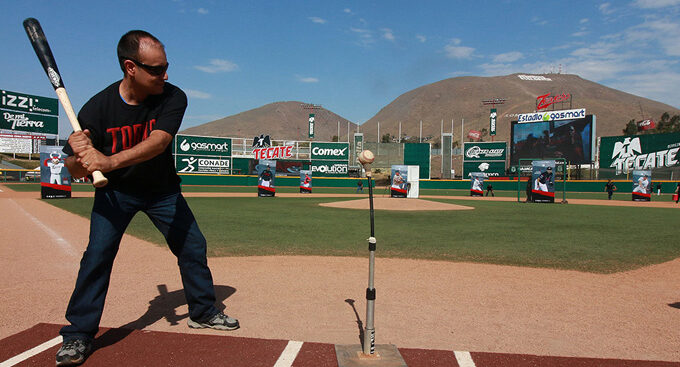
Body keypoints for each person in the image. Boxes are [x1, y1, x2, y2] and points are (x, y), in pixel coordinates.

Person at [56, 30, 238, 366]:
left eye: (165, 67)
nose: (164, 75)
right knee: (97, 257)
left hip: (161, 191)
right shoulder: (97, 108)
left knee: (192, 246)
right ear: (130, 67)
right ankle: (78, 334)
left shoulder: (172, 97)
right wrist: (78, 155)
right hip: (115, 195)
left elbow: (158, 142)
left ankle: (202, 311)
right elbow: (75, 170)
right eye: (156, 69)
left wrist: (107, 160)